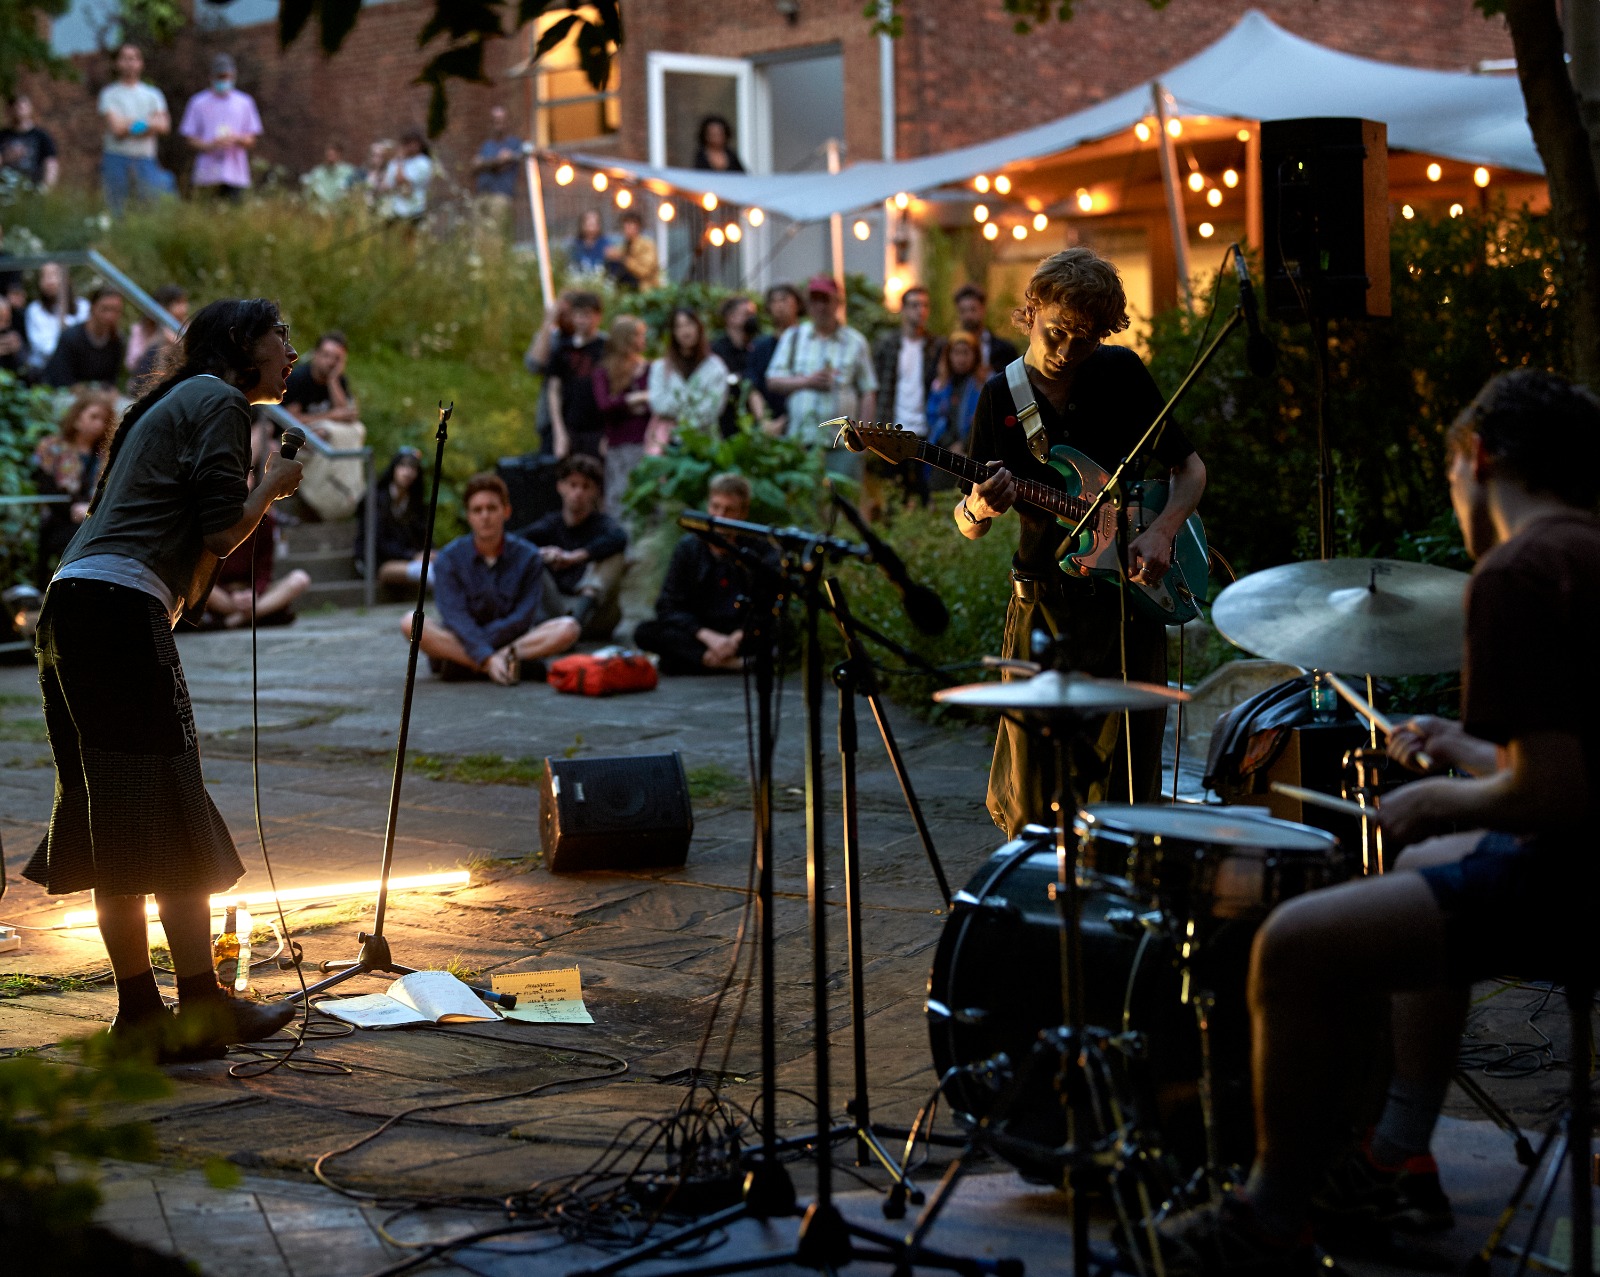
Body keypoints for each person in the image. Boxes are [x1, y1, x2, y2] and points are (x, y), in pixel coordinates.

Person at [1159, 367, 1600, 1276]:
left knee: (1294, 943)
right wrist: (1463, 751)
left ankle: (1271, 1215)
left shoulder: (1520, 569)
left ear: (1477, 457)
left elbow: (1549, 798)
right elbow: (1570, 763)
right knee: (1430, 863)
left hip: (1573, 879)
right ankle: (1394, 1152)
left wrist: (1442, 792)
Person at [21, 297, 304, 1060]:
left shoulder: (174, 402)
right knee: (172, 807)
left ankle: (144, 1015)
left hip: (72, 609)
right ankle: (203, 1009)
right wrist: (273, 485)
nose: (293, 354)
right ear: (244, 342)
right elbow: (219, 528)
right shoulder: (217, 398)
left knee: (114, 816)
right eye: (284, 340)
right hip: (117, 612)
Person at [957, 247, 1206, 832]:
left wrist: (1164, 532)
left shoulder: (1121, 374)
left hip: (1129, 603)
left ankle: (1117, 900)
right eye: (1058, 332)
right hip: (1045, 603)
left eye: (1086, 339)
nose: (1068, 352)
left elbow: (1190, 470)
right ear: (1032, 309)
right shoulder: (1000, 396)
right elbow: (969, 524)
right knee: (1039, 781)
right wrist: (978, 504)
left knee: (1127, 782)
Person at [402, 473, 579, 684]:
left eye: (492, 508)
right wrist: (486, 655)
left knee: (569, 628)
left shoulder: (529, 557)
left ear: (506, 511)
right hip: (462, 637)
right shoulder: (449, 559)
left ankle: (471, 664)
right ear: (469, 516)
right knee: (411, 623)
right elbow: (455, 616)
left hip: (509, 640)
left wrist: (483, 647)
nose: (485, 516)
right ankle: (495, 664)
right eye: (477, 510)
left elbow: (524, 614)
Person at [635, 473, 762, 673]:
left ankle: (689, 662)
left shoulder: (756, 549)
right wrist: (707, 636)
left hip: (738, 635)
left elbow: (765, 607)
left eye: (729, 510)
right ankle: (724, 664)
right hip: (699, 633)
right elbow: (668, 605)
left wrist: (735, 639)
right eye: (715, 507)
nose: (720, 516)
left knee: (774, 634)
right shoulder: (689, 548)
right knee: (646, 632)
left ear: (742, 513)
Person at [763, 275, 877, 459]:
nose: (821, 306)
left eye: (826, 300)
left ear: (837, 303)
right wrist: (806, 381)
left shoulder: (855, 342)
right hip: (800, 441)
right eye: (815, 301)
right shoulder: (793, 337)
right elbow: (773, 381)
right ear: (807, 305)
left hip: (843, 444)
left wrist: (864, 436)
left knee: (843, 489)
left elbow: (868, 391)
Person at [520, 454, 627, 641]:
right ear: (561, 487)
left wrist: (575, 557)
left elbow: (620, 539)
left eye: (586, 487)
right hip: (558, 610)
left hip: (595, 614)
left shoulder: (603, 525)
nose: (578, 493)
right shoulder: (550, 524)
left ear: (595, 492)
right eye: (573, 485)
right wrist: (543, 553)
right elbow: (514, 541)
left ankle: (576, 621)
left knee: (614, 557)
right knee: (527, 557)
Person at [32, 390, 114, 585]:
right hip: (58, 522)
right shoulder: (52, 447)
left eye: (104, 420)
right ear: (77, 418)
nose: (99, 424)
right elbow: (45, 488)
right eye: (93, 417)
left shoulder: (106, 456)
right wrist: (72, 509)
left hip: (96, 523)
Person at [870, 284, 942, 507]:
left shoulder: (936, 346)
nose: (919, 310)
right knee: (893, 494)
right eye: (914, 305)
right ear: (902, 309)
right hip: (893, 429)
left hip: (925, 430)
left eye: (924, 305)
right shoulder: (886, 345)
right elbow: (875, 387)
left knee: (924, 494)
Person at [282, 330, 365, 520]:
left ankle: (345, 493)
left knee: (353, 431)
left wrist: (334, 380)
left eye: (337, 358)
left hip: (325, 443)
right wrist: (331, 416)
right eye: (326, 355)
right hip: (294, 439)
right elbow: (290, 419)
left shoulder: (338, 380)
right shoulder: (299, 378)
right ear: (316, 354)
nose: (330, 362)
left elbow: (345, 415)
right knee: (324, 433)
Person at [202, 503, 309, 629]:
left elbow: (264, 570)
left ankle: (236, 619)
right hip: (222, 595)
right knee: (195, 584)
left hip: (254, 592)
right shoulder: (211, 519)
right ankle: (257, 614)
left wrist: (255, 593)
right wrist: (232, 595)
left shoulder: (265, 521)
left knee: (300, 579)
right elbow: (205, 570)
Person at [98, 42, 174, 215]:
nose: (129, 63)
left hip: (145, 159)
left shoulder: (153, 95)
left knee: (148, 210)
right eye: (124, 58)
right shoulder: (109, 95)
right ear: (117, 63)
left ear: (140, 63)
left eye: (133, 58)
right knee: (117, 211)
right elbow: (117, 130)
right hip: (116, 158)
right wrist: (148, 122)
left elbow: (164, 126)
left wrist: (131, 124)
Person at [178, 54, 262, 200]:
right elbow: (189, 138)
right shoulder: (198, 102)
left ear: (233, 76)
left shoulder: (244, 102)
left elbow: (252, 139)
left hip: (236, 173)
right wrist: (210, 144)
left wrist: (237, 139)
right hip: (206, 174)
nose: (223, 81)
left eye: (226, 77)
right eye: (219, 77)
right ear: (211, 77)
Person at [591, 313, 651, 513]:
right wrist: (635, 398)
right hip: (619, 444)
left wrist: (626, 404)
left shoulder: (649, 368)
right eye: (638, 335)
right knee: (620, 498)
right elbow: (605, 404)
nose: (643, 341)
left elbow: (657, 402)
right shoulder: (604, 371)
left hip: (647, 442)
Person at [647, 307, 729, 448]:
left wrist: (678, 412)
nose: (685, 331)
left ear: (698, 328)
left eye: (689, 324)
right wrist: (695, 400)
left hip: (706, 444)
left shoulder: (715, 366)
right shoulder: (660, 367)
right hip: (670, 443)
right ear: (673, 332)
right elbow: (659, 404)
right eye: (679, 326)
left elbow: (712, 409)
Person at [355, 446, 430, 588]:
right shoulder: (375, 499)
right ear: (394, 468)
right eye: (402, 465)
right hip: (377, 562)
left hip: (407, 560)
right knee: (428, 571)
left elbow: (423, 535)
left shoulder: (415, 502)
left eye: (413, 468)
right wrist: (412, 556)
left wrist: (428, 553)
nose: (407, 472)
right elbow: (376, 541)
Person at [545, 291, 606, 459]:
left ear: (597, 316)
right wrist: (559, 432)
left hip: (598, 429)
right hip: (570, 426)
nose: (581, 321)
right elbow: (553, 390)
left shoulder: (606, 348)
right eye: (577, 315)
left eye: (587, 315)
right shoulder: (562, 348)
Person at [922, 330, 987, 487]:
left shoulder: (983, 386)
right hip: (943, 454)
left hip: (972, 455)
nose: (961, 359)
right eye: (956, 353)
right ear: (948, 356)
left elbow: (983, 421)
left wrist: (963, 445)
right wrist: (951, 444)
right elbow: (933, 417)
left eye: (966, 353)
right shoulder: (940, 386)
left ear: (975, 356)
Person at [42, 287, 125, 389]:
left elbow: (111, 381)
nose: (110, 316)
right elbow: (60, 379)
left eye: (116, 310)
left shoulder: (116, 341)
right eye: (105, 309)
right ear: (93, 307)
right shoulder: (71, 337)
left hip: (98, 397)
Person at [748, 282, 801, 433]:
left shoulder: (808, 343)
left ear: (797, 304)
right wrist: (764, 421)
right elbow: (752, 386)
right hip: (768, 427)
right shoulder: (760, 346)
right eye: (774, 301)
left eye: (784, 300)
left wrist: (786, 420)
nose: (779, 306)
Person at [711, 295, 763, 436]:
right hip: (726, 418)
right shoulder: (716, 349)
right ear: (731, 318)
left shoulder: (758, 346)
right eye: (747, 314)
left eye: (753, 315)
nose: (751, 319)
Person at [24, 261, 88, 373]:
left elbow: (84, 341)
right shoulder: (34, 310)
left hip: (76, 369)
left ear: (66, 278)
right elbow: (40, 346)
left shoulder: (82, 306)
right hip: (43, 370)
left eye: (54, 274)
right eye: (44, 276)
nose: (50, 281)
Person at [126, 284, 188, 380]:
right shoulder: (142, 329)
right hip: (145, 379)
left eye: (184, 302)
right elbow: (131, 363)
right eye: (178, 303)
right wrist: (155, 341)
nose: (184, 308)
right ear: (163, 307)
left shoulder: (186, 328)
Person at [954, 283, 1020, 373]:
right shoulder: (949, 350)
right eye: (963, 311)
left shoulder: (1005, 350)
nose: (968, 316)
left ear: (983, 310)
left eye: (973, 310)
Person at [0, 94, 60, 191]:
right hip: (6, 188)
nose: (18, 109)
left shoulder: (41, 136)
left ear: (29, 108)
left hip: (32, 187)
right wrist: (7, 157)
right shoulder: (2, 136)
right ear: (8, 110)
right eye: (14, 105)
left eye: (21, 105)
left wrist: (46, 188)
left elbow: (51, 163)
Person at [378, 131, 433, 223]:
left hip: (413, 210)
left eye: (413, 144)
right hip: (394, 210)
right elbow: (385, 185)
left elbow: (402, 181)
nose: (409, 147)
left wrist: (400, 161)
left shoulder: (423, 163)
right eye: (407, 144)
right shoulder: (395, 162)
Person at [604, 210, 659, 291]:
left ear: (638, 227)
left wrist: (623, 259)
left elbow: (645, 271)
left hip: (643, 290)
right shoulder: (623, 246)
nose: (626, 229)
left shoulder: (647, 245)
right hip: (624, 290)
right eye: (624, 226)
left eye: (629, 225)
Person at [473, 105, 520, 200]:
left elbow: (502, 163)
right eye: (495, 121)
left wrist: (484, 163)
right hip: (483, 196)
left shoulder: (514, 144)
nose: (498, 125)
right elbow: (474, 165)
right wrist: (495, 161)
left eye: (501, 121)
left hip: (502, 197)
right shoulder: (487, 145)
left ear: (507, 122)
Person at [301, 142, 359, 208]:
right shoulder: (318, 172)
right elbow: (308, 193)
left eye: (333, 154)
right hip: (319, 211)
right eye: (328, 155)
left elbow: (355, 191)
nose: (330, 157)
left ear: (339, 154)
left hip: (340, 210)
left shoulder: (348, 172)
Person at [569, 209, 611, 275]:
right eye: (589, 224)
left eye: (594, 224)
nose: (591, 228)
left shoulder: (604, 244)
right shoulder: (575, 245)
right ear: (582, 225)